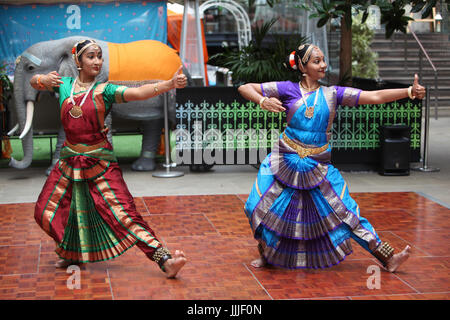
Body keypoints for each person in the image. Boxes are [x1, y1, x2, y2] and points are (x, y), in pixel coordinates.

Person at [238, 43, 426, 272]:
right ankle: (266, 252)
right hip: (283, 161)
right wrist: (262, 101)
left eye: (323, 60)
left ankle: (387, 257)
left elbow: (374, 96)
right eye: (317, 61)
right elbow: (245, 87)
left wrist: (408, 92)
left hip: (317, 166)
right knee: (254, 206)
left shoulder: (332, 94)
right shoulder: (287, 89)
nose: (323, 65)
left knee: (347, 213)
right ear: (302, 66)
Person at [31, 39, 187, 278]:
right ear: (78, 61)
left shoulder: (106, 90)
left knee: (125, 215)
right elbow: (33, 81)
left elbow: (137, 92)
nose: (97, 61)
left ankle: (164, 260)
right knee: (44, 211)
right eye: (91, 57)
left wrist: (168, 84)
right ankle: (71, 252)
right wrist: (42, 80)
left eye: (99, 57)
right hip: (68, 163)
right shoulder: (64, 85)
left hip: (100, 164)